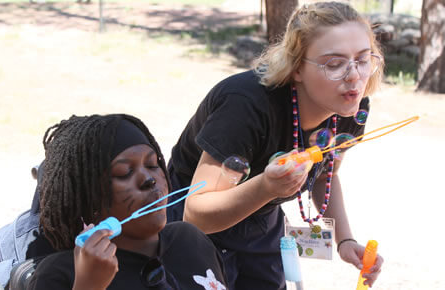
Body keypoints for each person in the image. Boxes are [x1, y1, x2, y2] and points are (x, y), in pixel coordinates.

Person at [166, 2, 384, 289]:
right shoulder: (245, 106)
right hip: (192, 226)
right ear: (296, 68)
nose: (355, 76)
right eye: (334, 64)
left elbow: (325, 177)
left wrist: (345, 240)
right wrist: (267, 188)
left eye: (363, 59)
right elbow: (196, 214)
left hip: (262, 220)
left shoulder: (348, 108)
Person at [27, 114, 227, 290]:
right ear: (90, 201)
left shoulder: (190, 240)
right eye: (125, 173)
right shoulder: (61, 274)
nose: (149, 179)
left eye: (152, 164)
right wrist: (89, 286)